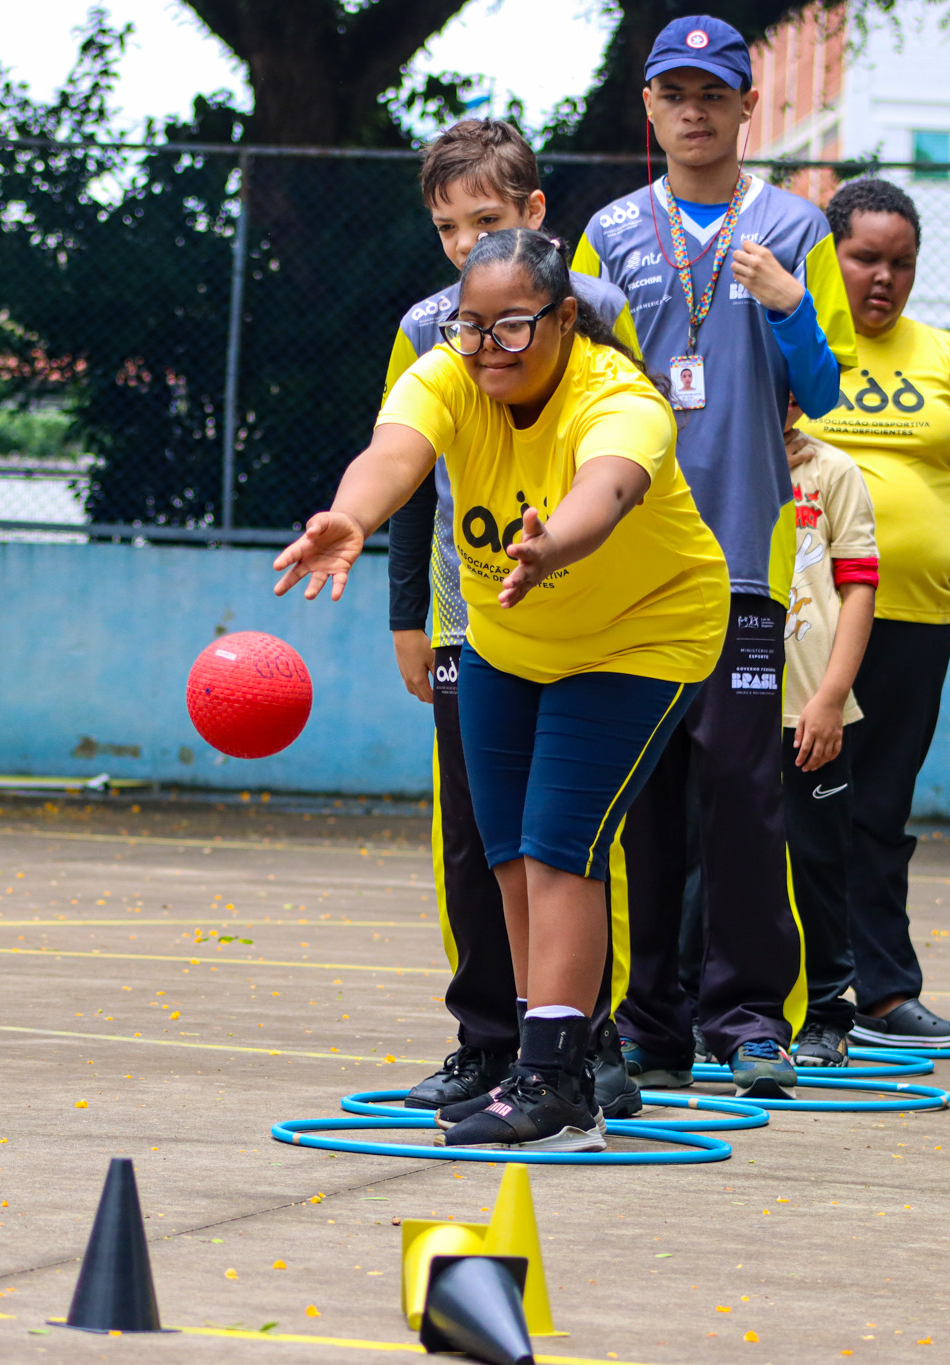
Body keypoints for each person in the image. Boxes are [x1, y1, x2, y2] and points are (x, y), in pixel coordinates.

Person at [275, 228, 727, 1151]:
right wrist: (350, 516)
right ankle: (546, 1059)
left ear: (565, 317)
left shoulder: (620, 396)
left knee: (561, 846)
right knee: (513, 854)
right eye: (472, 325)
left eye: (514, 325)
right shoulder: (448, 373)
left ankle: (559, 1088)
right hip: (507, 641)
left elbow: (609, 485)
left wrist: (557, 541)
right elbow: (393, 454)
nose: (488, 347)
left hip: (642, 636)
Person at [574, 14, 857, 1098]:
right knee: (641, 802)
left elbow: (823, 392)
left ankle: (747, 1021)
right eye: (674, 93)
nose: (693, 112)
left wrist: (788, 310)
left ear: (748, 106)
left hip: (743, 553)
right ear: (648, 107)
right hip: (631, 561)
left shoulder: (796, 227)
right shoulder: (608, 233)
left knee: (743, 796)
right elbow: (579, 385)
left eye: (712, 93)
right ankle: (648, 1024)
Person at [379, 119, 644, 1118]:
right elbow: (405, 471)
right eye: (446, 228)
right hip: (469, 613)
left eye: (484, 221)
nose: (463, 245)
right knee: (477, 838)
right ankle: (486, 1040)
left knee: (569, 835)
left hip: (583, 613)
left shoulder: (593, 312)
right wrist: (409, 615)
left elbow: (633, 451)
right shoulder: (423, 329)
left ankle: (589, 1041)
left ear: (535, 213)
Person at [798, 177, 950, 1049]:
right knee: (796, 806)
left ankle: (884, 995)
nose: (884, 277)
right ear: (829, 257)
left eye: (902, 263)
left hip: (915, 617)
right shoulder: (798, 343)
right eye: (865, 258)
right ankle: (781, 995)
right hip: (804, 626)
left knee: (879, 807)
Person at [778, 404, 879, 1067]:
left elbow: (858, 586)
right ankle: (710, 1009)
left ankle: (825, 1015)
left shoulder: (833, 471)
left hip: (808, 708)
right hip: (723, 707)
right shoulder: (707, 461)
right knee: (708, 865)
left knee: (815, 864)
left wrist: (831, 698)